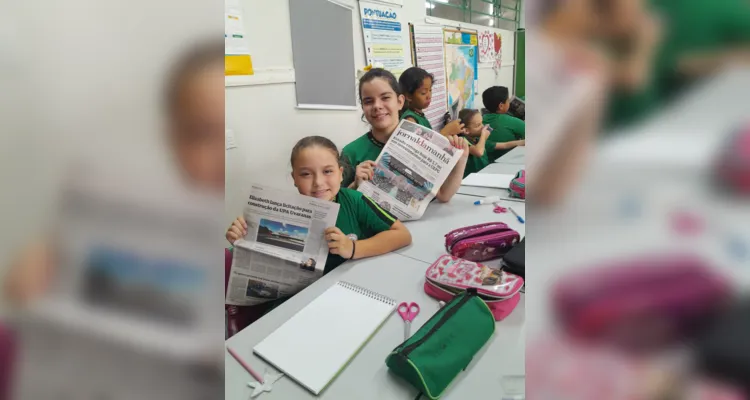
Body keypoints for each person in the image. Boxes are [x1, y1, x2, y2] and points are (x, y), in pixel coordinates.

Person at [3, 40, 225, 306]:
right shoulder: (132, 211)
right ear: (172, 138)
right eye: (201, 134)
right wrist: (47, 266)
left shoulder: (226, 226)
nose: (221, 157)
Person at [225, 136, 412, 325]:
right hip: (294, 308)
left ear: (340, 173)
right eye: (306, 174)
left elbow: (402, 234)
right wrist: (241, 241)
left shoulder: (354, 201)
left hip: (347, 298)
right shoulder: (279, 213)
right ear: (294, 179)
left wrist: (353, 248)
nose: (318, 182)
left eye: (328, 171)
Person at [341, 68, 469, 201]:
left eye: (385, 98)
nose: (377, 106)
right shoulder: (351, 152)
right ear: (363, 107)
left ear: (400, 102)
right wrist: (355, 185)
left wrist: (462, 159)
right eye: (368, 101)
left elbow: (443, 195)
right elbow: (337, 203)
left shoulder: (421, 141)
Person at [398, 66, 465, 136]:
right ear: (409, 96)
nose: (429, 96)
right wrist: (445, 132)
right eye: (423, 93)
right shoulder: (410, 121)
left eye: (430, 90)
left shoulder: (418, 115)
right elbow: (421, 146)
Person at [481, 86, 526, 162]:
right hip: (508, 161)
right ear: (501, 106)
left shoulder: (481, 120)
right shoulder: (512, 121)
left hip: (486, 164)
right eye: (508, 100)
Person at [458, 108, 492, 177]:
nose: (483, 127)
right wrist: (483, 135)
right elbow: (478, 152)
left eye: (482, 123)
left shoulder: (476, 139)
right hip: (470, 180)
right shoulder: (462, 140)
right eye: (478, 125)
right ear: (466, 131)